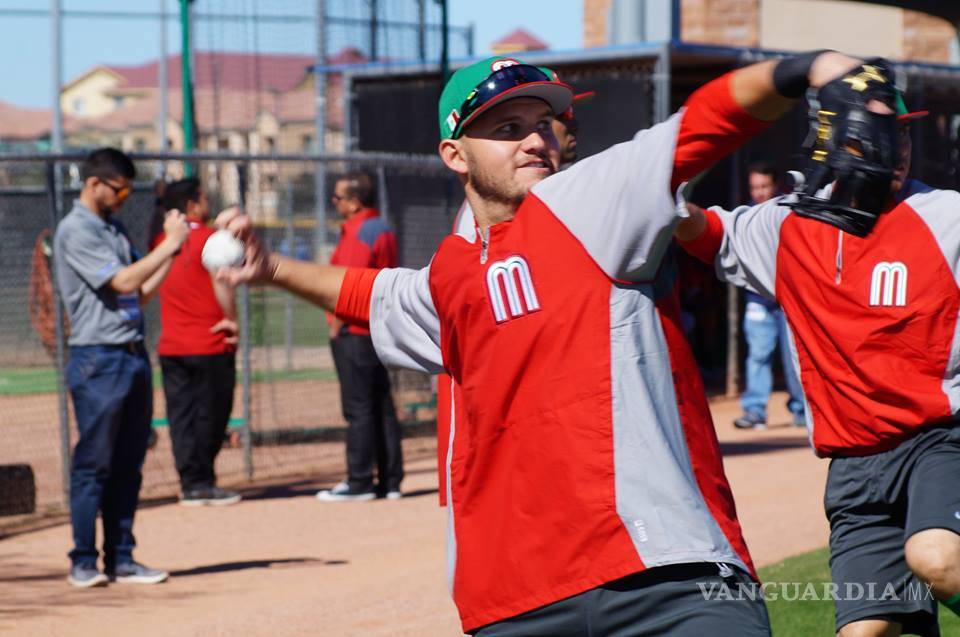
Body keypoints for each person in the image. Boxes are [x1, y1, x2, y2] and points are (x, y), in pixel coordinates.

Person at [214, 52, 867, 635]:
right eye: (505, 128)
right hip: (513, 599)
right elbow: (379, 295)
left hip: (666, 573)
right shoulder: (452, 271)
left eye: (543, 124)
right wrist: (271, 269)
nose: (534, 140)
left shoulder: (588, 204)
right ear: (454, 154)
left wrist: (803, 70)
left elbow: (699, 128)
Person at [675, 78, 960, 636]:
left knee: (937, 559)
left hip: (941, 439)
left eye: (902, 132)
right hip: (853, 465)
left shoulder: (946, 216)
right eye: (876, 132)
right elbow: (695, 227)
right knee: (862, 632)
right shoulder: (784, 227)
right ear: (832, 139)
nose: (895, 147)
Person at [435, 73, 594, 505]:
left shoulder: (579, 210)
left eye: (549, 120)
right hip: (498, 458)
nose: (568, 128)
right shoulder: (480, 224)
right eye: (561, 119)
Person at [53, 147, 188, 588]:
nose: (125, 196)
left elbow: (141, 293)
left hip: (130, 355)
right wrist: (167, 244)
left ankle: (122, 558)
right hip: (98, 358)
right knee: (94, 464)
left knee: (129, 463)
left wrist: (172, 251)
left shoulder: (113, 228)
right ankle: (83, 561)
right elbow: (124, 281)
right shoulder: (76, 230)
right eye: (120, 188)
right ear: (94, 184)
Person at [152, 178, 241, 507]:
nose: (207, 202)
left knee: (182, 416)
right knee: (212, 413)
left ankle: (191, 481)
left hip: (172, 345)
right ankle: (201, 481)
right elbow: (223, 284)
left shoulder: (161, 240)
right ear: (191, 205)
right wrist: (233, 320)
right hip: (209, 341)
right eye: (203, 198)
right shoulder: (210, 239)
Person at [316, 171, 403, 502]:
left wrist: (336, 329)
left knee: (359, 408)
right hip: (378, 329)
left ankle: (360, 480)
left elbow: (345, 285)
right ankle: (390, 479)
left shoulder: (359, 232)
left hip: (356, 331)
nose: (335, 204)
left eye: (338, 199)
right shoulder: (381, 226)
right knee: (380, 405)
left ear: (354, 203)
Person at [733, 161, 806, 429]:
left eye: (764, 186)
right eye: (755, 187)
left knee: (794, 357)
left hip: (789, 300)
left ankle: (801, 411)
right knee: (757, 354)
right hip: (757, 299)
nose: (759, 193)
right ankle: (754, 411)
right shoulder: (744, 216)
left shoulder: (789, 211)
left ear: (775, 185)